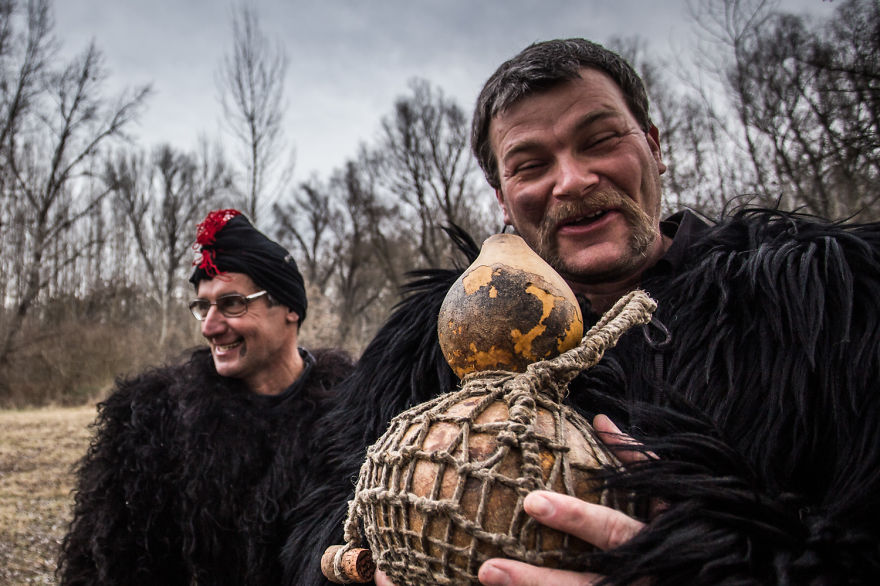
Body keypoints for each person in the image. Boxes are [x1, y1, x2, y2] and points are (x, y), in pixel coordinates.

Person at [283, 39, 880, 585]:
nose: (571, 180)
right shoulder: (425, 347)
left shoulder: (836, 305)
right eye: (530, 165)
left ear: (653, 147)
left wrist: (713, 568)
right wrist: (374, 569)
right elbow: (323, 520)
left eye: (600, 140)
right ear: (503, 197)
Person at [57, 209, 354, 585]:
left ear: (290, 309)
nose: (210, 327)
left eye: (232, 303)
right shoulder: (154, 421)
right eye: (203, 306)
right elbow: (105, 565)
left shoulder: (352, 417)